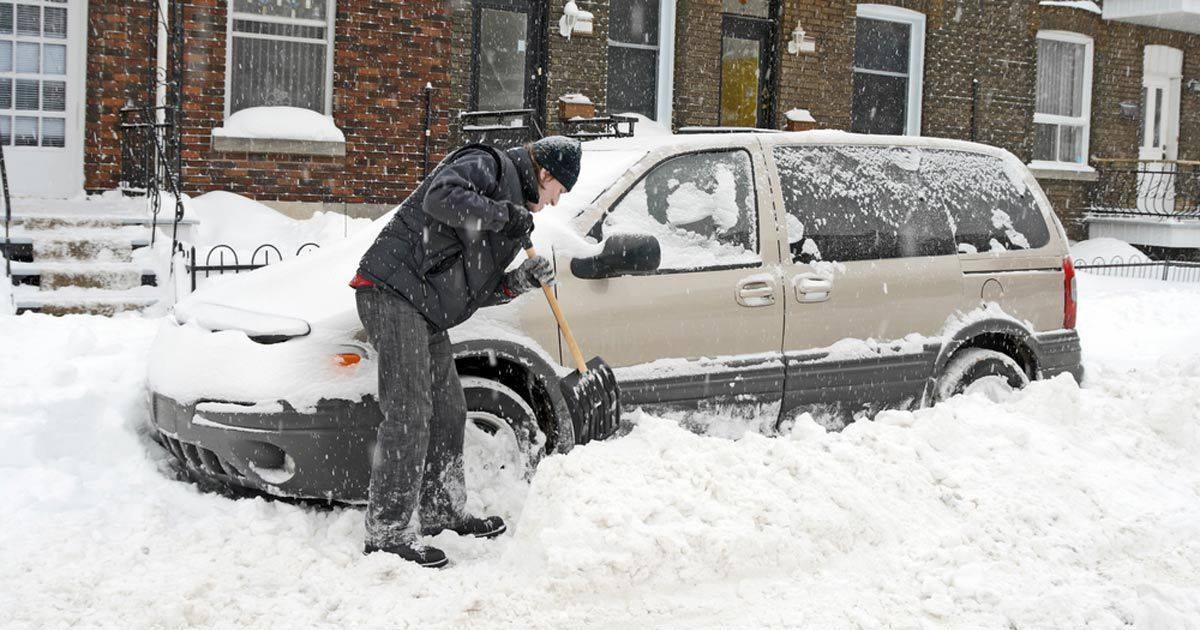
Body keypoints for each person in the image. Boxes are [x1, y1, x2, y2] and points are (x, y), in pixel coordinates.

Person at [350, 136, 582, 568]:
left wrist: (519, 281)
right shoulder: (488, 165)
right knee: (410, 411)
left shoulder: (511, 217)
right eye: (558, 192)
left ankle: (442, 509)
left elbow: (475, 288)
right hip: (392, 291)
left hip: (425, 307)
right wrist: (503, 216)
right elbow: (441, 196)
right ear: (545, 174)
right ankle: (387, 531)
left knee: (449, 410)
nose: (552, 203)